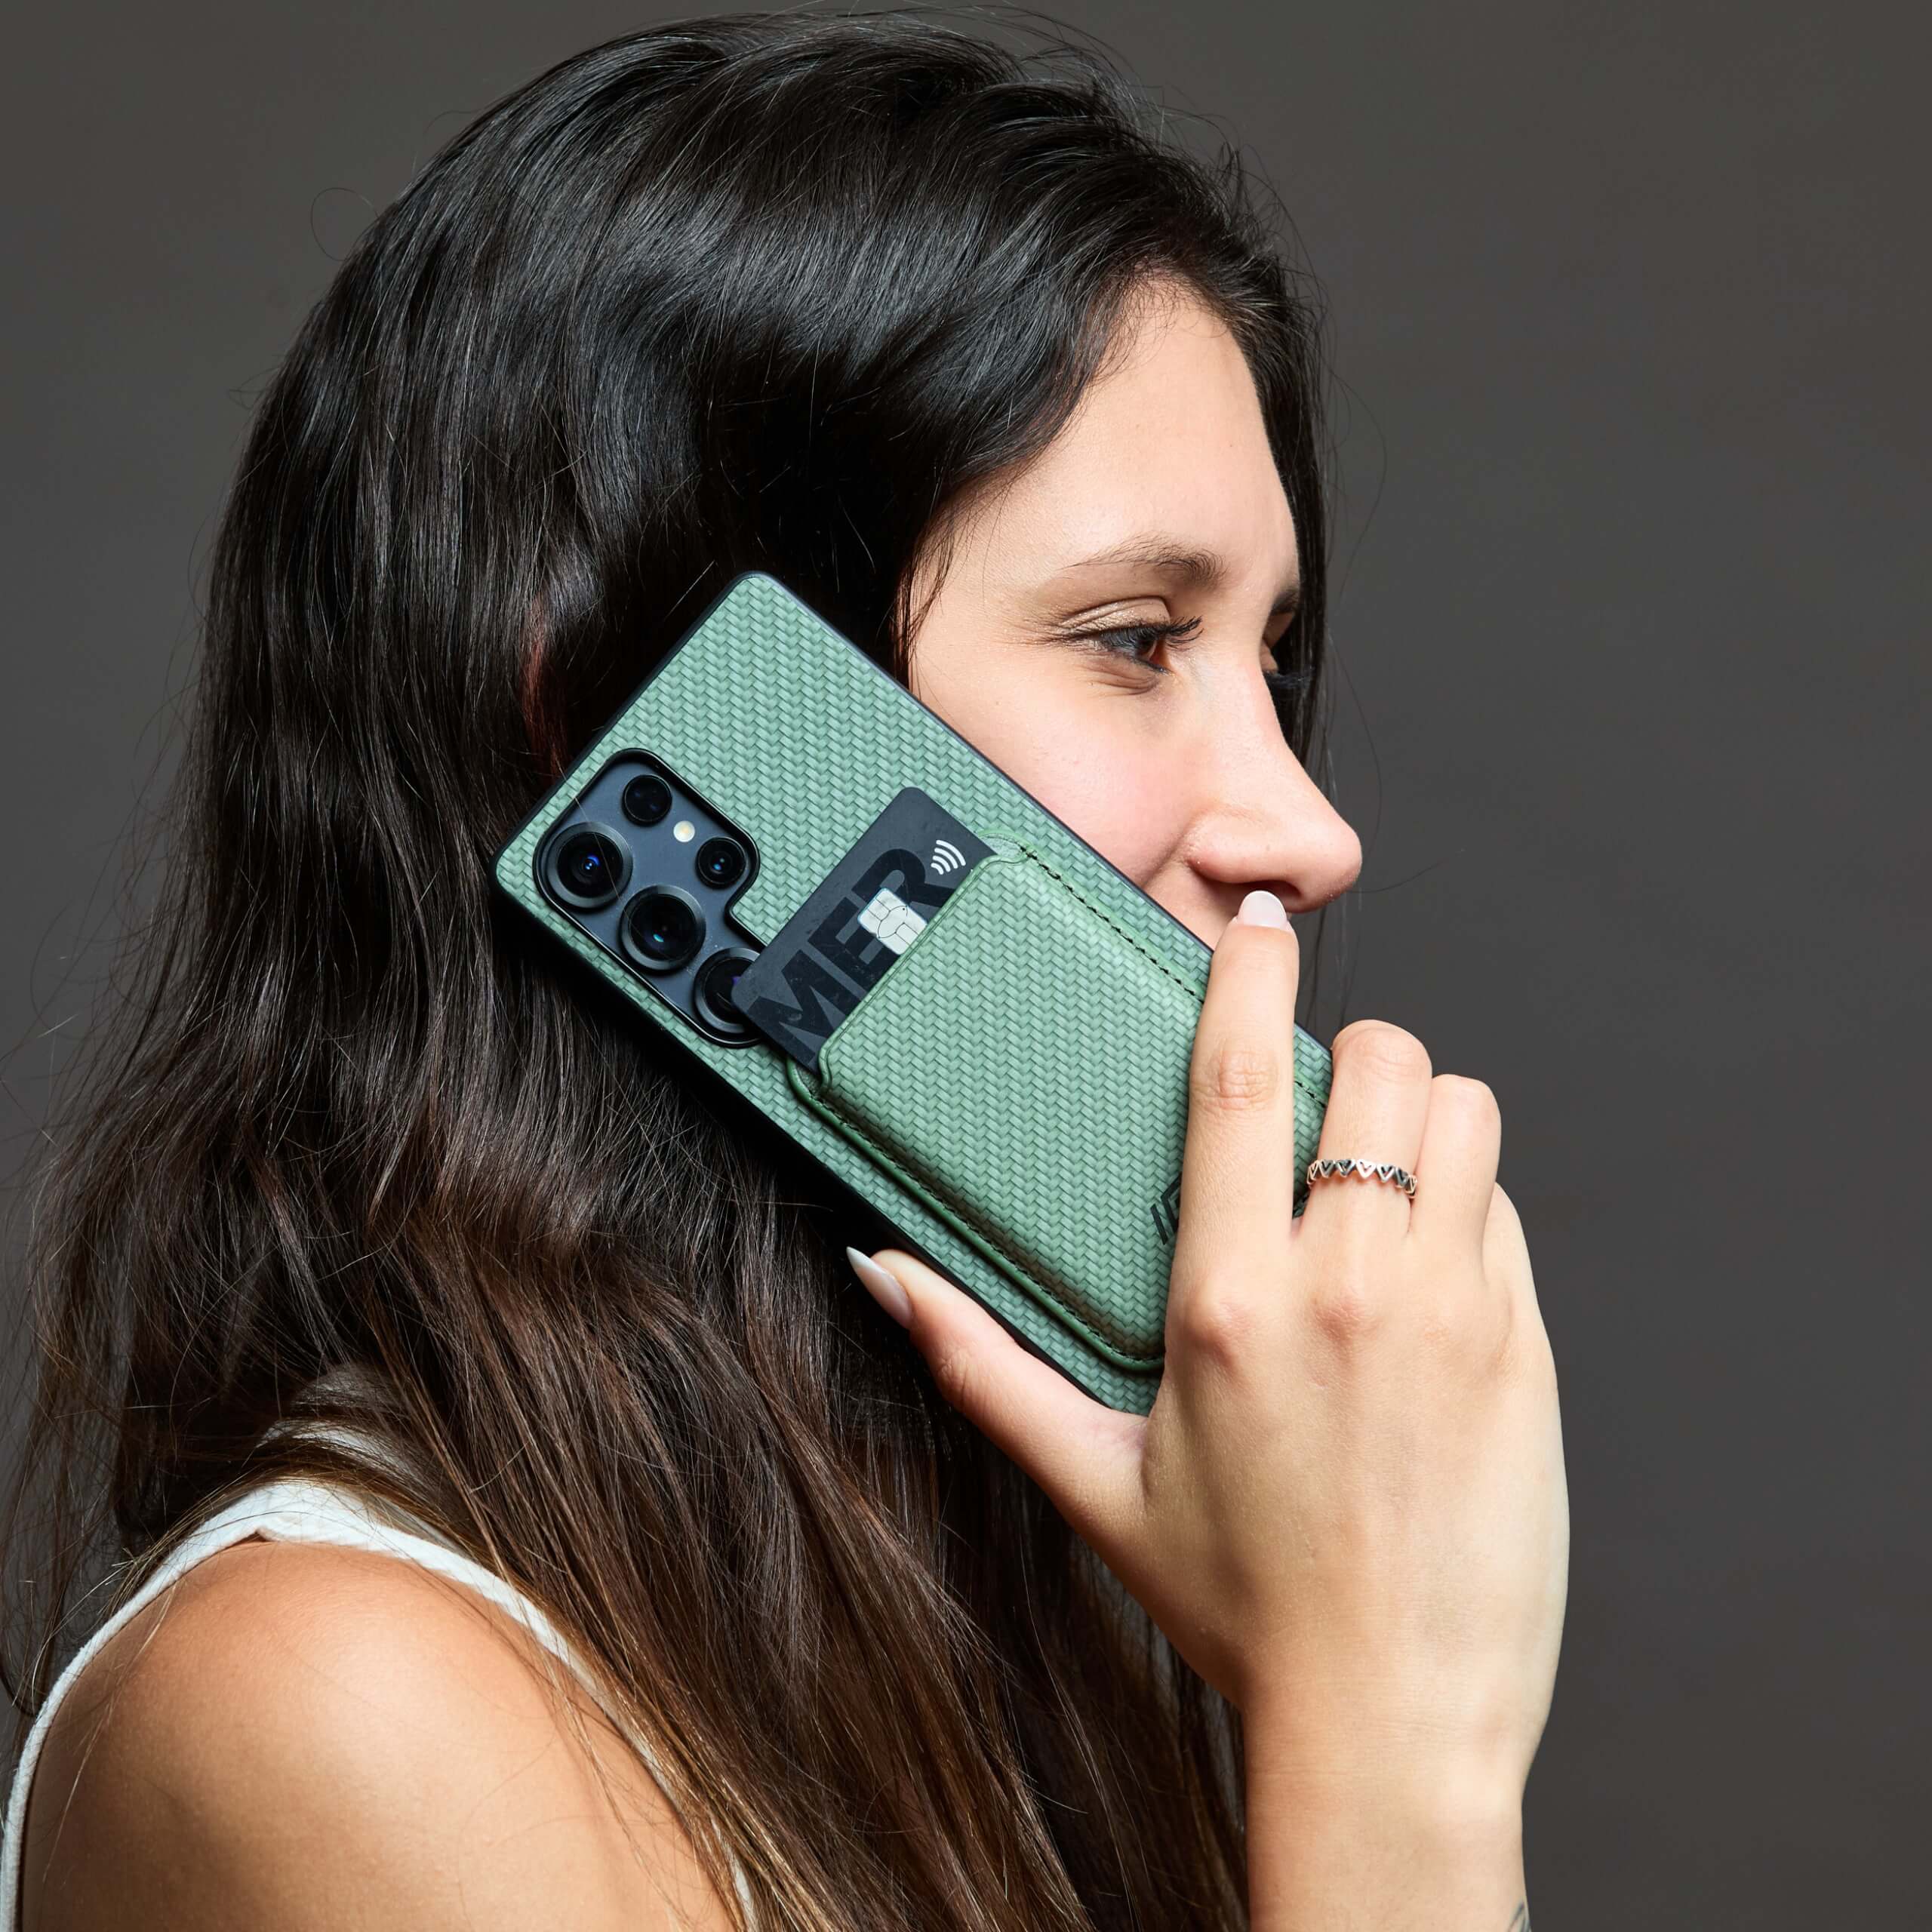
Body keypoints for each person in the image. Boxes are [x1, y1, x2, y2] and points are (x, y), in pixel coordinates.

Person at [0, 13, 1567, 1929]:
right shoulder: (339, 1699)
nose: (1304, 829)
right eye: (1136, 637)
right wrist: (1392, 1739)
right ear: (635, 724)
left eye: (1270, 658)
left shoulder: (961, 1619)